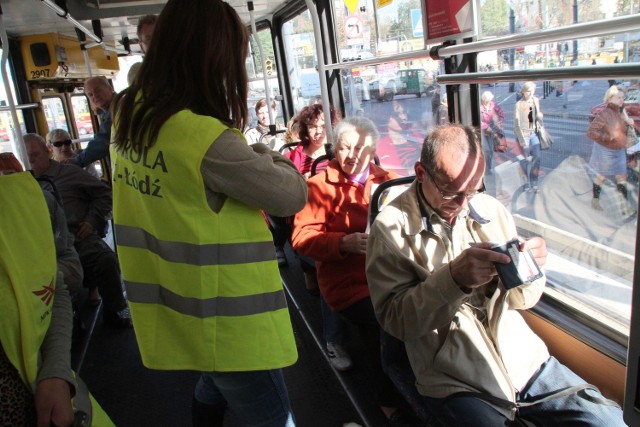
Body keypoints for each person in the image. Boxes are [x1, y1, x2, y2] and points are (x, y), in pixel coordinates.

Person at [110, 1, 307, 425]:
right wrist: (263, 150)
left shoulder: (128, 114)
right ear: (212, 58)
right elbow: (290, 193)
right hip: (230, 319)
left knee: (212, 381)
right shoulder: (204, 139)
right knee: (273, 417)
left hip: (179, 305)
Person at [366, 124, 626, 427]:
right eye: (451, 192)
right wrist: (453, 280)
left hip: (522, 358)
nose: (464, 204)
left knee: (608, 421)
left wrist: (530, 270)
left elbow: (523, 301)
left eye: (473, 190)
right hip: (453, 375)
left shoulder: (489, 209)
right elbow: (395, 321)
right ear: (421, 173)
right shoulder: (390, 229)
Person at [292, 117, 411, 424]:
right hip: (348, 281)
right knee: (383, 325)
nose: (351, 155)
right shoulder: (318, 187)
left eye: (360, 148)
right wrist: (342, 243)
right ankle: (387, 399)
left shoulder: (389, 182)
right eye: (344, 147)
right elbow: (301, 239)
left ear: (372, 150)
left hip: (390, 276)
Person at [0, 167, 113, 426]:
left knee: (105, 260)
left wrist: (56, 371)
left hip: (29, 394)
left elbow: (53, 285)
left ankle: (114, 309)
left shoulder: (20, 198)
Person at [24, 133, 132, 328]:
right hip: (42, 244)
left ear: (48, 152)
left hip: (77, 236)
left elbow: (105, 194)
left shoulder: (69, 173)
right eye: (26, 158)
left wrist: (91, 220)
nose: (30, 162)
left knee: (106, 260)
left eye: (34, 156)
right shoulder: (22, 185)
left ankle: (113, 310)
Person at [0, 152, 84, 295]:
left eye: (9, 174)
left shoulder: (43, 199)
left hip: (59, 261)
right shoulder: (5, 208)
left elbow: (60, 243)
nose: (5, 181)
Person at [587, 85, 636, 216]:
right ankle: (595, 200)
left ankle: (625, 208)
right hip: (606, 150)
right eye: (619, 97)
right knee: (602, 176)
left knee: (621, 177)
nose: (622, 100)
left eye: (623, 98)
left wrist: (628, 122)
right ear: (610, 98)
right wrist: (608, 137)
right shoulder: (604, 113)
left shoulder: (622, 112)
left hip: (619, 149)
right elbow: (591, 132)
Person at [67, 77, 115, 169]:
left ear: (110, 88)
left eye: (98, 90)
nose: (95, 96)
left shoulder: (116, 109)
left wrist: (77, 161)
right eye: (90, 94)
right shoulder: (108, 111)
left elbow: (102, 142)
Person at [286, 103, 339, 179]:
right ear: (306, 129)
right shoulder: (291, 158)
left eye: (323, 126)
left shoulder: (339, 154)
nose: (318, 131)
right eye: (313, 127)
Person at [514, 81, 543, 191]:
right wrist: (521, 139)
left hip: (533, 133)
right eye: (528, 91)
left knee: (537, 157)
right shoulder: (519, 104)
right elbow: (516, 124)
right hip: (523, 134)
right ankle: (525, 183)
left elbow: (537, 115)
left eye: (532, 91)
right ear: (523, 92)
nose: (530, 93)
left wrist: (539, 116)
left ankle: (534, 182)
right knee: (525, 160)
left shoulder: (535, 100)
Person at [480, 91, 505, 174]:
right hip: (482, 132)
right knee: (486, 150)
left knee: (490, 151)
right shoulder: (479, 107)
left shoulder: (493, 105)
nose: (489, 102)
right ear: (483, 100)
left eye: (490, 100)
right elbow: (478, 120)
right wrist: (486, 127)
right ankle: (484, 168)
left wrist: (499, 122)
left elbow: (501, 112)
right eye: (487, 100)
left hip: (491, 131)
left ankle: (488, 168)